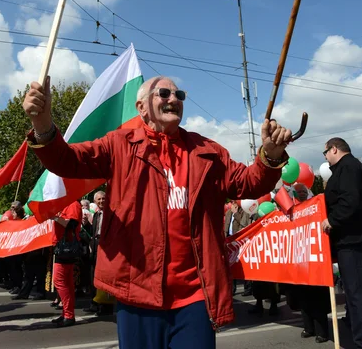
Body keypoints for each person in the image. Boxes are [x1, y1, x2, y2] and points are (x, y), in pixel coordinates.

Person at [23, 75, 291, 349]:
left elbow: (249, 182)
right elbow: (67, 161)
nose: (174, 99)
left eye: (179, 95)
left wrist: (269, 157)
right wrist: (42, 125)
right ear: (141, 107)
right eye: (163, 93)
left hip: (195, 297)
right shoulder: (119, 144)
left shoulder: (208, 152)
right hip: (137, 292)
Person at [322, 137, 362, 349]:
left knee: (356, 295)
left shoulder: (348, 168)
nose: (326, 157)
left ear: (334, 149)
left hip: (352, 242)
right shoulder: (348, 168)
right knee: (354, 294)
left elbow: (350, 201)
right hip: (348, 241)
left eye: (325, 153)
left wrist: (331, 220)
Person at [285, 183, 330, 343]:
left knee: (317, 300)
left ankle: (322, 332)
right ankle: (308, 328)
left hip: (315, 262)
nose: (302, 194)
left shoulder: (316, 206)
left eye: (304, 191)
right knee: (303, 299)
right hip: (300, 263)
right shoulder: (291, 210)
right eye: (299, 192)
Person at [51, 200, 82, 327]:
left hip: (66, 248)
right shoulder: (66, 204)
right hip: (62, 247)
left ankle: (68, 314)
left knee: (60, 281)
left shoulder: (73, 204)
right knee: (66, 283)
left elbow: (71, 224)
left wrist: (54, 216)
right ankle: (67, 314)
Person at [224, 201, 250, 295]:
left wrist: (236, 214)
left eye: (234, 202)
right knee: (232, 265)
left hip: (240, 241)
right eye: (232, 202)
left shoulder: (244, 212)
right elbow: (225, 227)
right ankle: (232, 288)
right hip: (230, 242)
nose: (232, 204)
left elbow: (244, 226)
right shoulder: (228, 213)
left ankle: (247, 288)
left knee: (243, 265)